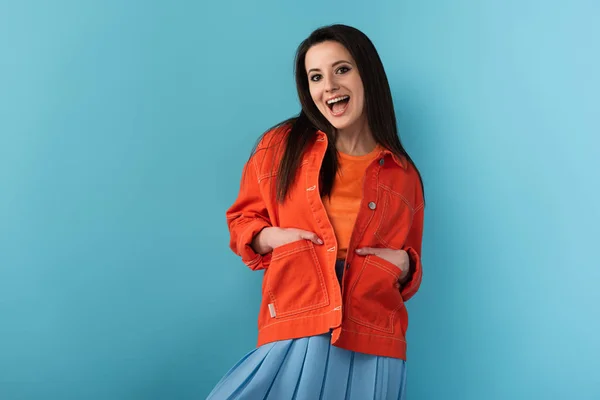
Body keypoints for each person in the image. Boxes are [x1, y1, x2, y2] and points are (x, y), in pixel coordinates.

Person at [207, 24, 425, 400]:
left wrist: (405, 265)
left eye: (342, 69)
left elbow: (410, 261)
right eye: (316, 77)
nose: (329, 86)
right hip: (298, 316)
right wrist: (275, 237)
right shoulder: (279, 145)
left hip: (374, 339)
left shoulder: (403, 174)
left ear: (367, 74)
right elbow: (242, 221)